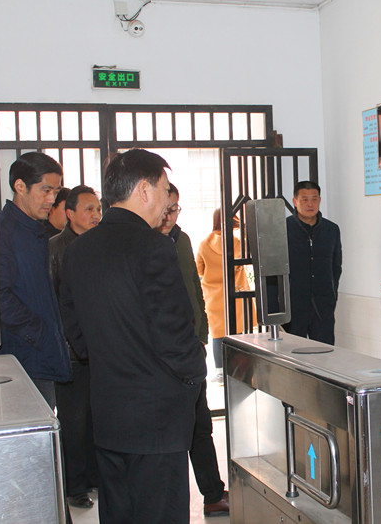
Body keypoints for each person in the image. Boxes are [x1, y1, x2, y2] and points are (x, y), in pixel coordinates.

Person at [60, 149, 206, 524]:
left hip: (108, 414)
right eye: (163, 189)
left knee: (119, 513)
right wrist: (193, 379)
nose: (167, 201)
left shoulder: (77, 250)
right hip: (157, 418)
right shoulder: (154, 247)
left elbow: (75, 330)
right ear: (143, 190)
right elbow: (175, 332)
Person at [158, 184, 229, 517]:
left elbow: (194, 289)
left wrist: (201, 333)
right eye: (166, 208)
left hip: (190, 350)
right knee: (168, 434)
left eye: (175, 209)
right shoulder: (144, 244)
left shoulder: (183, 240)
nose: (171, 216)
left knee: (201, 426)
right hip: (160, 358)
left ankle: (213, 494)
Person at [0, 152, 71, 409]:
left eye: (56, 192)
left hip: (43, 356)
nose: (52, 199)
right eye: (45, 190)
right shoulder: (2, 232)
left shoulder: (36, 230)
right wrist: (39, 333)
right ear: (20, 186)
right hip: (22, 359)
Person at [49, 185, 102, 510]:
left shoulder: (100, 245)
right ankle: (75, 485)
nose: (96, 215)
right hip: (69, 350)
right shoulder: (55, 248)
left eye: (98, 209)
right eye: (89, 209)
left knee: (96, 417)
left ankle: (95, 477)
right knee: (74, 421)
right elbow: (55, 302)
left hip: (99, 348)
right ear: (70, 214)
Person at [196, 208, 251, 383]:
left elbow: (199, 269)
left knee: (218, 334)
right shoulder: (236, 243)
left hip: (214, 296)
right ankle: (240, 370)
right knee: (239, 333)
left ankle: (220, 372)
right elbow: (246, 258)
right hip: (237, 292)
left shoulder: (204, 244)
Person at [284, 180, 342, 345]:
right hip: (293, 308)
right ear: (295, 201)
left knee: (325, 352)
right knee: (293, 353)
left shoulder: (331, 230)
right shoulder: (283, 229)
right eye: (304, 199)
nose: (310, 204)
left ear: (320, 200)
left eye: (314, 199)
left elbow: (336, 267)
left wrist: (331, 296)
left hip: (323, 307)